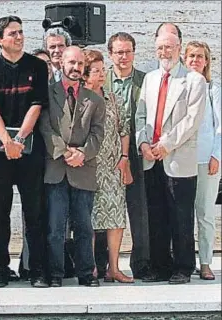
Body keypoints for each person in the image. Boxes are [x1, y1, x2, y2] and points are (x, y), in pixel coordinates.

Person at [0, 15, 49, 288]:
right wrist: (6, 141)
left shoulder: (38, 66)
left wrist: (18, 139)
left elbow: (36, 105)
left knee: (35, 213)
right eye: (12, 34)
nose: (19, 37)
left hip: (30, 152)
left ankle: (37, 269)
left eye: (20, 32)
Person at [136, 32, 206, 284]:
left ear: (179, 48)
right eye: (159, 48)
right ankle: (159, 265)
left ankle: (183, 267)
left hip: (178, 157)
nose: (164, 52)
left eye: (168, 47)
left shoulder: (194, 80)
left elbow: (192, 120)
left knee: (180, 214)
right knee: (156, 215)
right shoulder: (150, 79)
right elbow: (141, 115)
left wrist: (165, 144)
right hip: (151, 157)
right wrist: (143, 143)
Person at [40, 46, 105, 287]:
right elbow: (46, 128)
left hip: (83, 169)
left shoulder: (95, 100)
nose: (76, 67)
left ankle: (86, 274)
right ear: (62, 63)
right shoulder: (47, 94)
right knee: (55, 228)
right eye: (71, 62)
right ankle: (56, 273)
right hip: (57, 168)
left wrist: (83, 154)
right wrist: (65, 152)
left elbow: (98, 133)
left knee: (84, 228)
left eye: (79, 63)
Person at [98, 32, 150, 279]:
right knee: (104, 212)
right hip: (105, 158)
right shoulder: (101, 80)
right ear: (110, 54)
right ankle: (104, 265)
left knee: (139, 210)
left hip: (137, 154)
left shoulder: (145, 80)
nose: (124, 56)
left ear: (134, 52)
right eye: (119, 52)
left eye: (128, 51)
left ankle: (141, 263)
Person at [82, 49, 134, 284]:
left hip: (112, 167)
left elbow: (124, 129)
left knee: (115, 218)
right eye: (96, 71)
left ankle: (114, 267)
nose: (102, 74)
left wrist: (124, 157)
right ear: (85, 74)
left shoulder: (113, 98)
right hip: (88, 167)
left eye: (104, 70)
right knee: (88, 219)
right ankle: (91, 267)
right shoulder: (80, 98)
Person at [184, 40, 220, 281]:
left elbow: (220, 126)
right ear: (184, 60)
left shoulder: (213, 89)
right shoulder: (179, 86)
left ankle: (206, 262)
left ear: (206, 61)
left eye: (200, 56)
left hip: (207, 160)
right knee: (181, 214)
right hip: (182, 160)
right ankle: (184, 262)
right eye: (191, 56)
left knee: (205, 213)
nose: (195, 60)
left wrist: (217, 154)